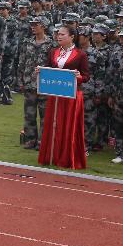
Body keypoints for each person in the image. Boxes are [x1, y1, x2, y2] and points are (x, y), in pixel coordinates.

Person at [38, 25, 89, 169]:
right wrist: (40, 71)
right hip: (55, 94)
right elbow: (48, 68)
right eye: (58, 34)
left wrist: (79, 77)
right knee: (52, 124)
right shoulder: (53, 51)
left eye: (62, 34)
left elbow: (86, 76)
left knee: (68, 126)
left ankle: (66, 157)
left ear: (72, 37)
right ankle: (51, 155)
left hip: (71, 96)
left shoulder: (80, 54)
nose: (58, 36)